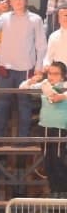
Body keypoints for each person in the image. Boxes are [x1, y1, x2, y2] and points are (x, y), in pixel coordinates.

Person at [0, 0, 46, 139]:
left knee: (24, 105)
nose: (17, 1)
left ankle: (23, 139)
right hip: (5, 67)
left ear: (26, 0)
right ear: (10, 1)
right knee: (1, 104)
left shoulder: (35, 19)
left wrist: (39, 66)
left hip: (26, 68)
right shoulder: (3, 18)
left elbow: (41, 45)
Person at [35, 60, 67, 197]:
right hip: (44, 126)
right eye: (50, 73)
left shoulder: (65, 86)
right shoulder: (44, 85)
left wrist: (63, 96)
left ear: (63, 76)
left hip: (60, 127)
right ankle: (54, 191)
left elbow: (57, 97)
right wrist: (32, 81)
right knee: (48, 160)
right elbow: (22, 86)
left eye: (56, 74)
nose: (52, 76)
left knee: (58, 159)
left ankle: (63, 192)